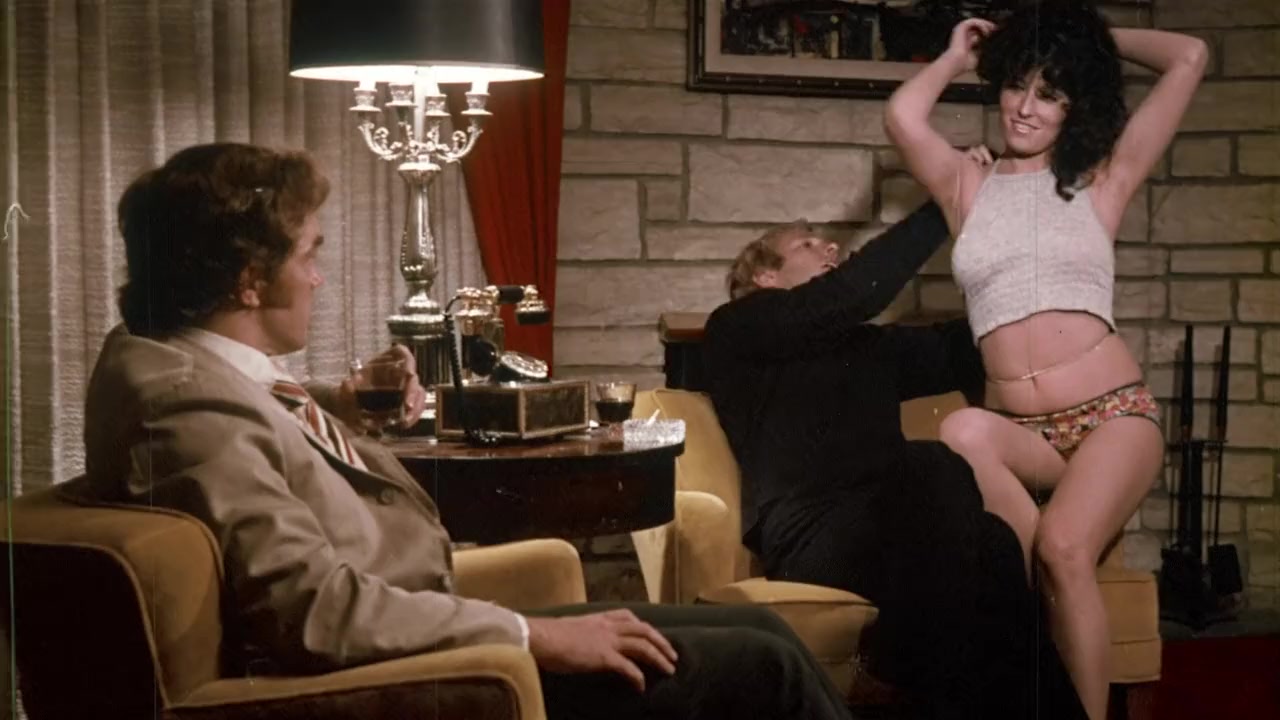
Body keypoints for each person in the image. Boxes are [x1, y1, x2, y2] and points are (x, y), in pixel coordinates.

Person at [79, 142, 855, 720]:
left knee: (759, 625)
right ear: (250, 280)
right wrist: (533, 635)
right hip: (396, 679)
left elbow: (251, 422)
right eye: (309, 255)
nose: (318, 277)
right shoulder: (188, 410)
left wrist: (340, 405)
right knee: (762, 666)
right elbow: (314, 611)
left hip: (424, 635)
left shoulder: (181, 369)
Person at [884, 3, 1207, 718]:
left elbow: (1189, 56)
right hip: (1025, 436)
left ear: (1074, 105)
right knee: (962, 432)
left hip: (1113, 417)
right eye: (1017, 85)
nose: (1026, 108)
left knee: (1061, 549)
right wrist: (955, 56)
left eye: (1051, 93)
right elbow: (903, 117)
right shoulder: (966, 185)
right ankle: (1038, 629)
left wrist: (1083, 40)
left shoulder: (1103, 179)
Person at [705, 202, 1084, 719]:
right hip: (812, 536)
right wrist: (945, 206)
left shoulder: (865, 346)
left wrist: (1038, 292)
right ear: (766, 276)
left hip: (896, 529)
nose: (830, 246)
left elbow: (963, 347)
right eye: (807, 244)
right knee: (931, 466)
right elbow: (852, 293)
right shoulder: (738, 327)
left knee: (994, 545)